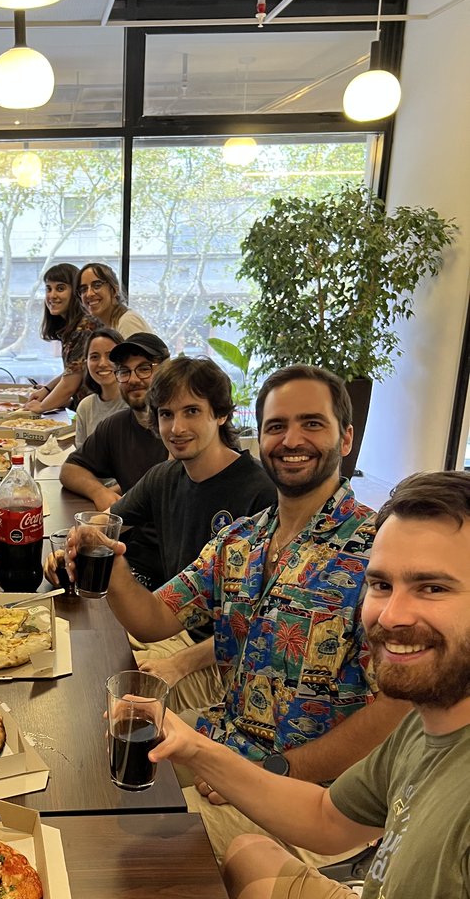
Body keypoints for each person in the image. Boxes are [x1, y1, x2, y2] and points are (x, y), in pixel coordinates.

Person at [151, 471, 470, 899]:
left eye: (434, 587)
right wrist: (197, 749)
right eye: (382, 585)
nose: (390, 616)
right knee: (248, 859)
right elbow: (327, 818)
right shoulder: (431, 724)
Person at [80, 364, 409, 861]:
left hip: (315, 799)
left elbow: (396, 708)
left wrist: (275, 771)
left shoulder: (378, 553)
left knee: (133, 859)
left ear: (345, 439)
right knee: (95, 772)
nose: (291, 439)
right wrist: (111, 562)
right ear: (260, 439)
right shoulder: (240, 540)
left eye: (311, 424)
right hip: (225, 742)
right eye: (277, 426)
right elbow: (152, 619)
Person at [113, 355, 276, 710]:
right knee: (89, 650)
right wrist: (72, 545)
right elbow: (108, 523)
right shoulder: (164, 476)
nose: (176, 428)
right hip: (171, 627)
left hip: (226, 661)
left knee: (123, 703)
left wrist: (179, 664)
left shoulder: (259, 493)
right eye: (166, 414)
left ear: (220, 414)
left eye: (191, 411)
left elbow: (261, 623)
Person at [60, 332, 169, 588]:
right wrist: (99, 492)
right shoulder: (117, 426)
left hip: (171, 571)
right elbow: (71, 469)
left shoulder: (180, 436)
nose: (133, 379)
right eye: (124, 371)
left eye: (144, 369)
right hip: (131, 554)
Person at [26, 263, 97, 414]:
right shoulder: (72, 327)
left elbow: (71, 383)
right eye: (48, 289)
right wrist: (46, 390)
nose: (52, 296)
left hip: (96, 412)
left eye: (60, 288)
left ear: (76, 292)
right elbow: (73, 370)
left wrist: (42, 407)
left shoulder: (83, 328)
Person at [72, 328, 126, 447]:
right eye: (95, 357)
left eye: (110, 356)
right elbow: (80, 458)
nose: (102, 363)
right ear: (86, 362)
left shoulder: (136, 405)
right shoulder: (85, 407)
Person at [76, 262, 154, 339]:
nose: (89, 294)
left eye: (97, 285)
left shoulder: (127, 322)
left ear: (114, 290)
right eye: (83, 289)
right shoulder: (106, 326)